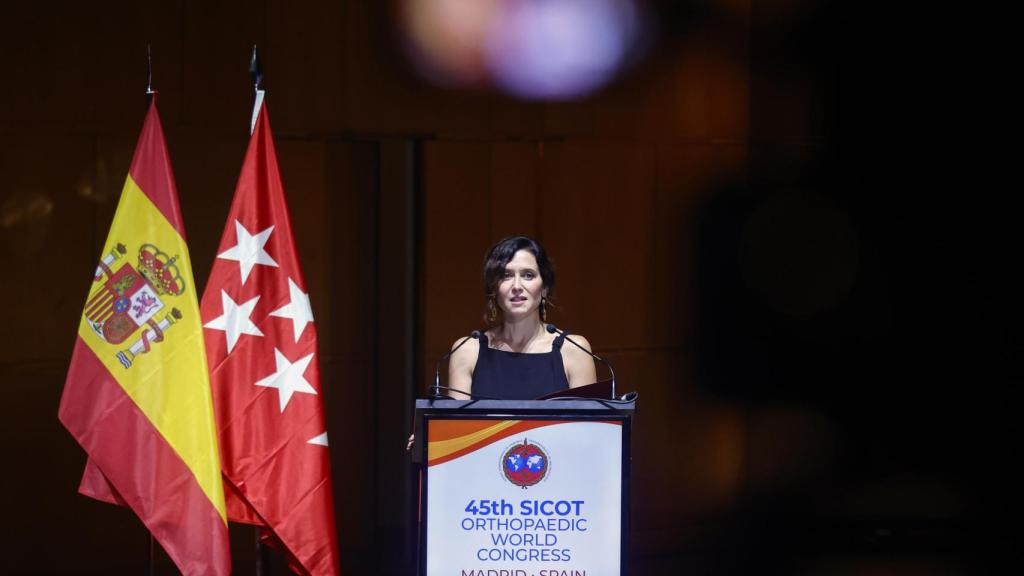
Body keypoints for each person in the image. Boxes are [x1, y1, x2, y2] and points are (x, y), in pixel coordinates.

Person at [447, 236, 596, 400]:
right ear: (494, 288)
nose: (517, 286)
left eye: (528, 275)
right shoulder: (467, 351)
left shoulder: (574, 350)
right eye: (506, 275)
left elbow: (585, 417)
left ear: (545, 288)